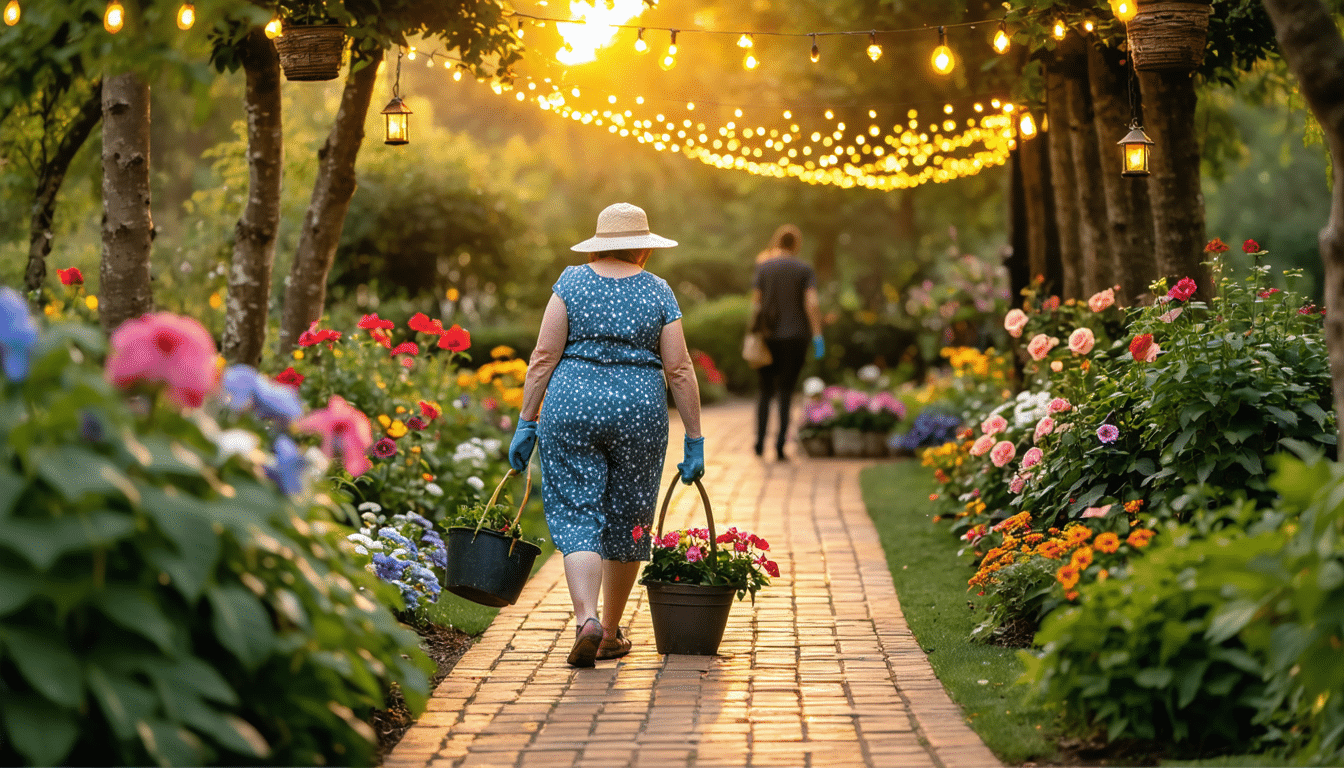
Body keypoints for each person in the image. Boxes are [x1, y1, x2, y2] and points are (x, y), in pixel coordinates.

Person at [507, 202, 704, 668]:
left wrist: (526, 421)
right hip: (639, 413)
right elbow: (678, 367)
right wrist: (694, 438)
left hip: (572, 407)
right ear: (642, 247)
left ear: (600, 243)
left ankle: (587, 621)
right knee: (629, 514)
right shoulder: (658, 290)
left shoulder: (571, 282)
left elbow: (542, 356)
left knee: (578, 513)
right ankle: (612, 633)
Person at [751, 224, 823, 461]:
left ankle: (760, 443)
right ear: (796, 245)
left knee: (764, 390)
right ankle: (781, 445)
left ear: (777, 242)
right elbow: (811, 303)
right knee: (785, 391)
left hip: (768, 336)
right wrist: (818, 334)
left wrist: (753, 332)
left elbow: (756, 303)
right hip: (795, 337)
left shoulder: (764, 266)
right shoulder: (803, 269)